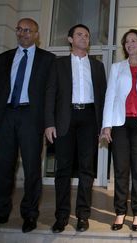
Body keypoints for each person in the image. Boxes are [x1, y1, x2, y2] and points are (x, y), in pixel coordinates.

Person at [0, 18, 55, 233]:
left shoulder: (47, 59)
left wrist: (48, 122)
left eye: (28, 30)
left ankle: (30, 214)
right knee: (3, 167)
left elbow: (51, 94)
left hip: (31, 118)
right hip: (6, 117)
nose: (23, 33)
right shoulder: (4, 58)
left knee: (32, 168)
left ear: (36, 34)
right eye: (20, 29)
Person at [45, 24, 107, 233]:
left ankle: (82, 215)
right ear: (70, 39)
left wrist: (103, 125)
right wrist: (49, 123)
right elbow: (50, 95)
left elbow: (103, 97)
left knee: (86, 169)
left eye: (87, 35)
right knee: (62, 169)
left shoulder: (97, 66)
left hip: (89, 118)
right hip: (65, 118)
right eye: (79, 35)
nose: (84, 38)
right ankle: (61, 216)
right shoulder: (58, 64)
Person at [100, 29, 137, 232]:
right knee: (120, 169)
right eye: (127, 41)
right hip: (119, 123)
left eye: (134, 41)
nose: (130, 44)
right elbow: (110, 97)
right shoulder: (117, 68)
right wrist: (106, 124)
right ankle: (119, 211)